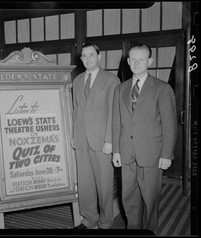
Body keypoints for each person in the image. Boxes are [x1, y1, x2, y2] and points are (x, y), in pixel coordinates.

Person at [112, 43, 177, 235]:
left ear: (150, 60)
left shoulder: (162, 88)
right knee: (129, 199)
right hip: (126, 153)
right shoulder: (120, 89)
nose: (137, 63)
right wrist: (116, 150)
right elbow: (116, 123)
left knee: (150, 200)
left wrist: (167, 155)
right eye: (133, 59)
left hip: (152, 154)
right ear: (128, 62)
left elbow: (169, 125)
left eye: (142, 59)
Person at [72, 43, 120, 229]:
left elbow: (114, 112)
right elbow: (76, 110)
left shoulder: (111, 80)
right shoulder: (77, 81)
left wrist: (110, 140)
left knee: (104, 184)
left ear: (99, 57)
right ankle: (88, 218)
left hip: (102, 141)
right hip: (81, 139)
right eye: (84, 56)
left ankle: (106, 220)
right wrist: (74, 135)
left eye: (91, 55)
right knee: (85, 183)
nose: (88, 59)